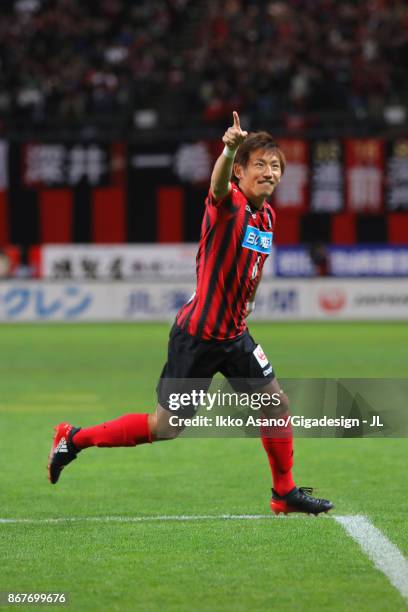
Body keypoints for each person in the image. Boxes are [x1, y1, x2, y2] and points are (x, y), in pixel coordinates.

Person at [48, 112, 333, 515]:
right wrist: (229, 147)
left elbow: (251, 265)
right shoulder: (228, 203)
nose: (269, 172)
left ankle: (283, 494)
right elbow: (216, 186)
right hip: (197, 339)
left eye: (275, 166)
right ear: (240, 171)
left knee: (275, 404)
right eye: (260, 165)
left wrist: (248, 296)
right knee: (165, 427)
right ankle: (72, 438)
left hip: (235, 336)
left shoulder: (267, 217)